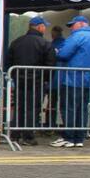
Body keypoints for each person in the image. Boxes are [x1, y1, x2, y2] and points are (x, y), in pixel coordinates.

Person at [51, 15, 90, 148]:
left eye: (72, 25)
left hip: (72, 79)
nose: (71, 28)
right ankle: (79, 138)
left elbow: (63, 54)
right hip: (89, 79)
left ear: (80, 24)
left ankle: (68, 137)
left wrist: (57, 51)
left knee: (69, 108)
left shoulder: (76, 37)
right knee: (82, 109)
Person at [5, 16, 55, 145]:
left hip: (19, 80)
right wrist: (46, 80)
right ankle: (28, 136)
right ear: (39, 27)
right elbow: (50, 65)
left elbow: (8, 62)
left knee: (19, 107)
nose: (45, 28)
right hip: (36, 81)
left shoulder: (16, 42)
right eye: (44, 26)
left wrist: (14, 75)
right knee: (33, 108)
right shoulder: (45, 44)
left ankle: (15, 134)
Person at [45, 26, 65, 130]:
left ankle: (50, 125)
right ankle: (65, 127)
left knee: (51, 104)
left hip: (53, 79)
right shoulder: (66, 44)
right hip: (64, 79)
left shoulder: (51, 45)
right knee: (63, 105)